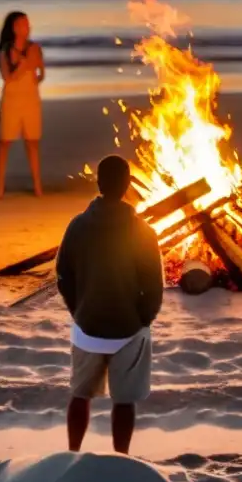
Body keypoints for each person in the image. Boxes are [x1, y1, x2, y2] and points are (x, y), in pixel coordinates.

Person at [56, 155, 163, 455]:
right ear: (128, 185)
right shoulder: (142, 231)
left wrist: (79, 309)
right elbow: (154, 285)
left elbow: (64, 274)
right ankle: (121, 456)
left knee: (80, 394)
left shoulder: (78, 226)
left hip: (87, 324)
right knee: (124, 401)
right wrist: (143, 318)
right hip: (129, 328)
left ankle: (73, 451)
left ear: (98, 183)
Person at [0, 12, 45, 199]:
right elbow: (7, 77)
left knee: (32, 143)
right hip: (12, 99)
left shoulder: (35, 48)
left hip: (31, 98)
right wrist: (23, 65)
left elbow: (41, 74)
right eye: (23, 24)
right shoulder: (6, 51)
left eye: (28, 24)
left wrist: (34, 66)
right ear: (15, 28)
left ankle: (38, 188)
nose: (27, 27)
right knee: (4, 143)